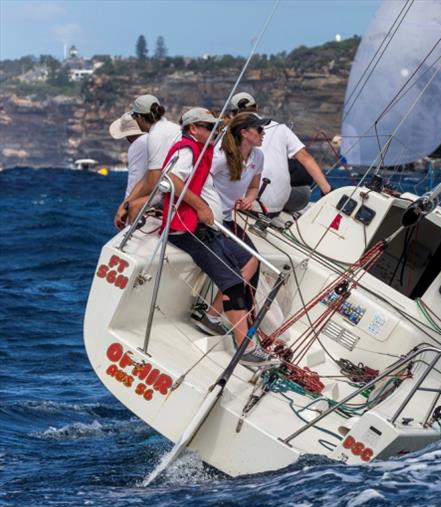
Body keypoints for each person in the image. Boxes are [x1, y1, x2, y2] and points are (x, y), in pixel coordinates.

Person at [129, 107, 269, 366]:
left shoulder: (201, 151)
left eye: (216, 128)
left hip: (205, 227)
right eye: (209, 127)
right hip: (187, 228)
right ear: (194, 128)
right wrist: (202, 207)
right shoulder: (187, 150)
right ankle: (245, 348)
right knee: (233, 282)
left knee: (248, 260)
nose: (215, 132)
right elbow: (171, 178)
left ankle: (218, 321)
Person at [199, 111, 269, 333]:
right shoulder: (220, 157)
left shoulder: (257, 157)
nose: (263, 133)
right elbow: (198, 181)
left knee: (253, 261)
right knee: (250, 262)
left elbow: (254, 188)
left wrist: (248, 200)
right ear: (244, 133)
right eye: (259, 129)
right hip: (213, 220)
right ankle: (213, 316)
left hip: (229, 219)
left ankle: (224, 316)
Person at [227, 92, 332, 213]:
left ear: (233, 114)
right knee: (304, 192)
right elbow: (305, 157)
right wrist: (327, 191)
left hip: (247, 200)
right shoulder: (280, 128)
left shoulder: (230, 130)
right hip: (276, 205)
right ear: (256, 108)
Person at [114, 94, 181, 229]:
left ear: (139, 117)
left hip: (178, 191)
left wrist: (126, 206)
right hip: (179, 186)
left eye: (134, 117)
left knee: (134, 207)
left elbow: (152, 180)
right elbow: (150, 175)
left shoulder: (155, 136)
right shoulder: (170, 127)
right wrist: (125, 203)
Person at [108, 112, 148, 197]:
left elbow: (134, 181)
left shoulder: (138, 145)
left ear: (127, 135)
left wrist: (126, 205)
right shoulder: (153, 138)